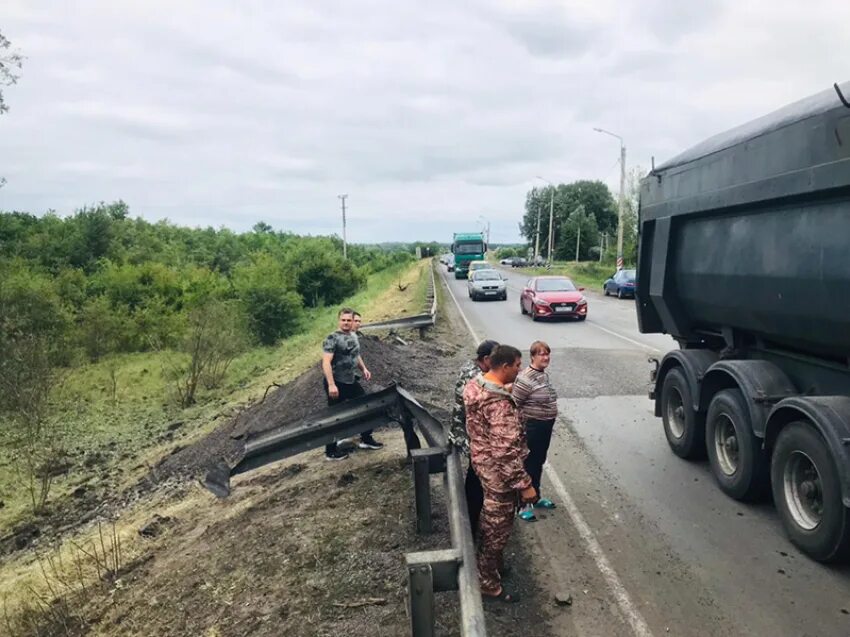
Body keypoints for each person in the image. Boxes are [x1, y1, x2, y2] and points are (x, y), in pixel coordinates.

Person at [463, 344, 537, 603]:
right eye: (517, 365)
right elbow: (505, 451)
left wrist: (502, 392)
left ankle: (490, 569)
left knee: (488, 521)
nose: (520, 370)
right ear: (505, 366)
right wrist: (524, 484)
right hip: (499, 477)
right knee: (497, 529)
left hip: (481, 465)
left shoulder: (476, 385)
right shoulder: (499, 405)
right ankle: (488, 584)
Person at [450, 339, 499, 535]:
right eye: (496, 360)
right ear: (486, 359)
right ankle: (470, 524)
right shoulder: (477, 376)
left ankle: (471, 519)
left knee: (475, 476)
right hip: (470, 435)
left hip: (464, 431)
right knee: (476, 479)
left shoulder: (471, 366)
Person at [321, 307, 383, 460]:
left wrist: (364, 369)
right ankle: (330, 452)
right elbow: (326, 363)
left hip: (350, 380)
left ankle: (366, 438)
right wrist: (331, 385)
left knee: (366, 407)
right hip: (336, 382)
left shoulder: (354, 335)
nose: (346, 323)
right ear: (339, 320)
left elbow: (356, 354)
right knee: (336, 417)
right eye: (343, 320)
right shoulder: (332, 338)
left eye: (349, 320)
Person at [512, 340, 558, 521]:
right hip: (531, 427)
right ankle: (522, 505)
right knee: (527, 464)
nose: (546, 357)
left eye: (547, 354)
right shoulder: (526, 378)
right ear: (532, 356)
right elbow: (514, 404)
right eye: (541, 354)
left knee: (538, 461)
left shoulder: (542, 375)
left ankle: (536, 496)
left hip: (545, 426)